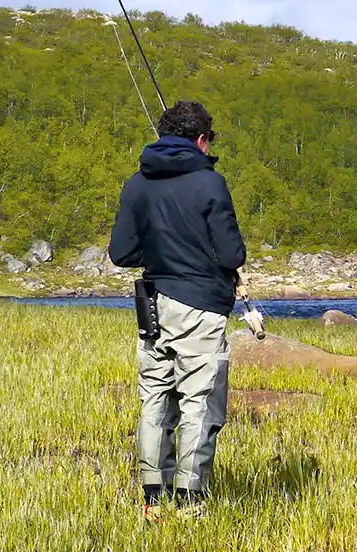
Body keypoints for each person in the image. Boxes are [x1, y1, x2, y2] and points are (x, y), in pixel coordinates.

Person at [109, 100, 248, 520]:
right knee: (199, 404)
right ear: (201, 140)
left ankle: (153, 499)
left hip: (151, 305)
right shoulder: (211, 184)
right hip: (200, 307)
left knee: (154, 401)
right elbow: (231, 253)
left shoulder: (136, 184)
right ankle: (190, 505)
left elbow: (122, 252)